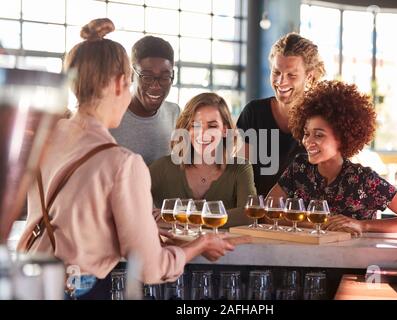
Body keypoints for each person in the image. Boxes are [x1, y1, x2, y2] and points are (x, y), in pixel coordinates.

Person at [16, 19, 234, 299]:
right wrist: (200, 245)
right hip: (78, 289)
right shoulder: (123, 164)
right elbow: (150, 267)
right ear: (122, 82)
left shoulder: (47, 138)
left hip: (28, 281)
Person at [267, 80, 397, 234]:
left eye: (319, 135)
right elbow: (268, 212)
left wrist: (363, 225)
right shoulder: (299, 168)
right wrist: (317, 226)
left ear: (342, 138)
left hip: (353, 256)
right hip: (306, 255)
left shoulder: (364, 179)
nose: (308, 141)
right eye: (306, 133)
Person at [237, 32, 325, 196]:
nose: (281, 82)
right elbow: (241, 173)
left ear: (310, 77)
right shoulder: (254, 113)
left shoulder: (322, 119)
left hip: (303, 217)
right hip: (258, 214)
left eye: (291, 75)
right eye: (276, 72)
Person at [150, 92, 256, 227]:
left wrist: (184, 217)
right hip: (177, 247)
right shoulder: (163, 167)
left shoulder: (240, 168)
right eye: (195, 125)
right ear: (187, 129)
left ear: (225, 130)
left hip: (226, 248)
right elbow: (127, 198)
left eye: (212, 126)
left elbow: (248, 215)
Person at [110, 35, 180, 165]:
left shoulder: (174, 113)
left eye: (165, 77)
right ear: (131, 75)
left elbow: (182, 169)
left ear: (173, 76)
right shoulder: (110, 118)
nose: (156, 86)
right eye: (147, 77)